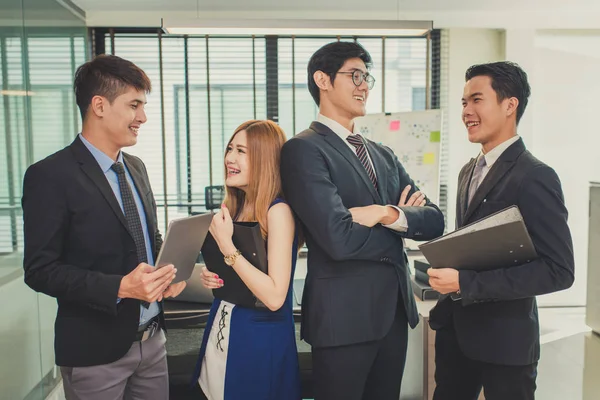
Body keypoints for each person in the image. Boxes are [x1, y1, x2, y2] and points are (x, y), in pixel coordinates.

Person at [280, 41, 445, 400]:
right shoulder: (304, 149)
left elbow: (434, 220)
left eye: (366, 76)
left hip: (394, 315)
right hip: (343, 319)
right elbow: (337, 238)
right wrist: (401, 226)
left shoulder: (382, 154)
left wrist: (384, 213)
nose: (364, 85)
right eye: (354, 75)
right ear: (322, 80)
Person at [22, 54, 187, 400]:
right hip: (94, 353)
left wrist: (167, 275)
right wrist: (121, 287)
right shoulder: (50, 176)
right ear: (99, 105)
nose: (142, 116)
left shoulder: (136, 167)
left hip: (152, 341)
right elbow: (40, 270)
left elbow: (148, 239)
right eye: (134, 105)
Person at [427, 61, 575, 400]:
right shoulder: (468, 171)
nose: (466, 111)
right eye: (464, 102)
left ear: (510, 105)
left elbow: (559, 271)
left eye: (477, 99)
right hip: (456, 334)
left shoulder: (535, 175)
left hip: (505, 343)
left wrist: (466, 283)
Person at [194, 120, 301, 400]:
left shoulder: (278, 212)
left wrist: (227, 247)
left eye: (241, 151)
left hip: (258, 343)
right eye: (230, 148)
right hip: (222, 330)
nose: (230, 158)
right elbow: (239, 271)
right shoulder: (236, 207)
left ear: (264, 159)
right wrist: (213, 274)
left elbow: (275, 297)